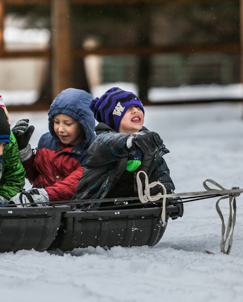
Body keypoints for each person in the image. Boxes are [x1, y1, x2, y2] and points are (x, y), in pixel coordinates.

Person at [74, 87, 178, 215]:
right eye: (128, 109)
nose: (136, 110)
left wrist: (167, 198)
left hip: (133, 214)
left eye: (138, 108)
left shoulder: (146, 144)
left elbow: (160, 177)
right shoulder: (101, 142)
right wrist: (130, 142)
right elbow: (110, 142)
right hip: (90, 213)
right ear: (113, 118)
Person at [11, 88, 95, 205]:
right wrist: (23, 152)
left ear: (83, 124)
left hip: (72, 213)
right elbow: (35, 174)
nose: (60, 129)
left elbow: (72, 186)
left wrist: (41, 196)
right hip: (40, 210)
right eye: (56, 122)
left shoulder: (92, 152)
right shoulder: (46, 142)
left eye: (67, 123)